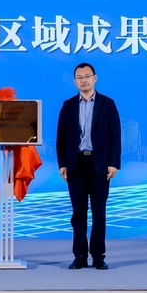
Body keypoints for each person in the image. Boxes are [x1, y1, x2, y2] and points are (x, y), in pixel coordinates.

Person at [56, 62, 121, 270]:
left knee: (99, 213)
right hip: (76, 165)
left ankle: (99, 256)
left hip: (100, 165)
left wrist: (114, 163)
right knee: (78, 214)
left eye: (87, 76)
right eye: (79, 77)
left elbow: (115, 136)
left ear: (95, 78)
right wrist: (62, 164)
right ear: (75, 81)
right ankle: (80, 256)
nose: (83, 80)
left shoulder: (107, 104)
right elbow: (61, 138)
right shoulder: (68, 105)